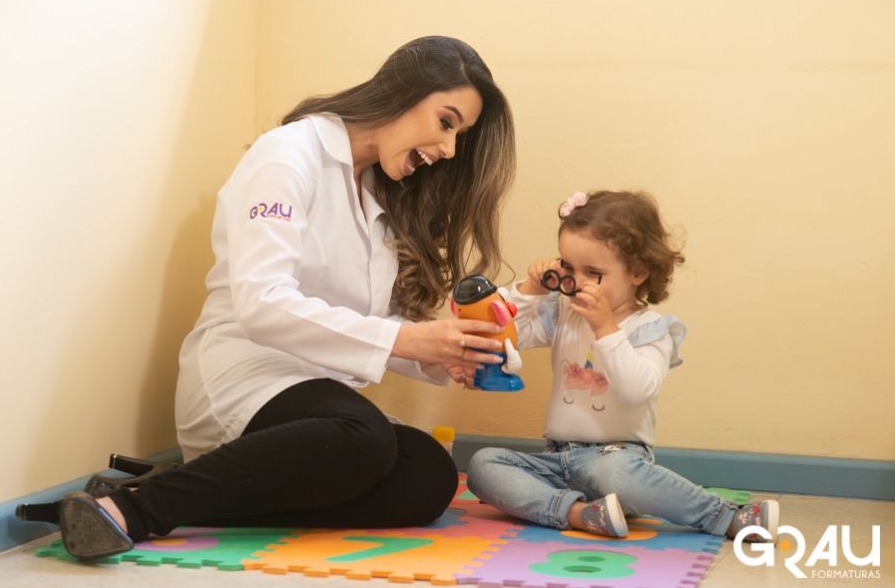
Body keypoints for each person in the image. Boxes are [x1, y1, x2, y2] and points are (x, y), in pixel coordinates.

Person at [16, 36, 516, 560]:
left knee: (428, 476)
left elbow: (373, 325)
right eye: (446, 122)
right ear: (403, 91)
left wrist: (450, 356)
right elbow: (262, 302)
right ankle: (139, 508)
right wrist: (411, 340)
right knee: (364, 437)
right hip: (243, 373)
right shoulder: (289, 154)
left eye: (459, 134)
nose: (449, 150)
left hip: (311, 398)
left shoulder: (378, 193)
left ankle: (197, 490)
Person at [465, 190, 779, 543]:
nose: (574, 282)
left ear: (638, 272)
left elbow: (637, 389)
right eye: (567, 267)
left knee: (617, 474)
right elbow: (505, 335)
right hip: (557, 461)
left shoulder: (651, 329)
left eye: (593, 272)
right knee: (484, 464)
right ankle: (579, 513)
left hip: (616, 460)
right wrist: (529, 290)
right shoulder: (564, 313)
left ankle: (725, 516)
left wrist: (604, 328)